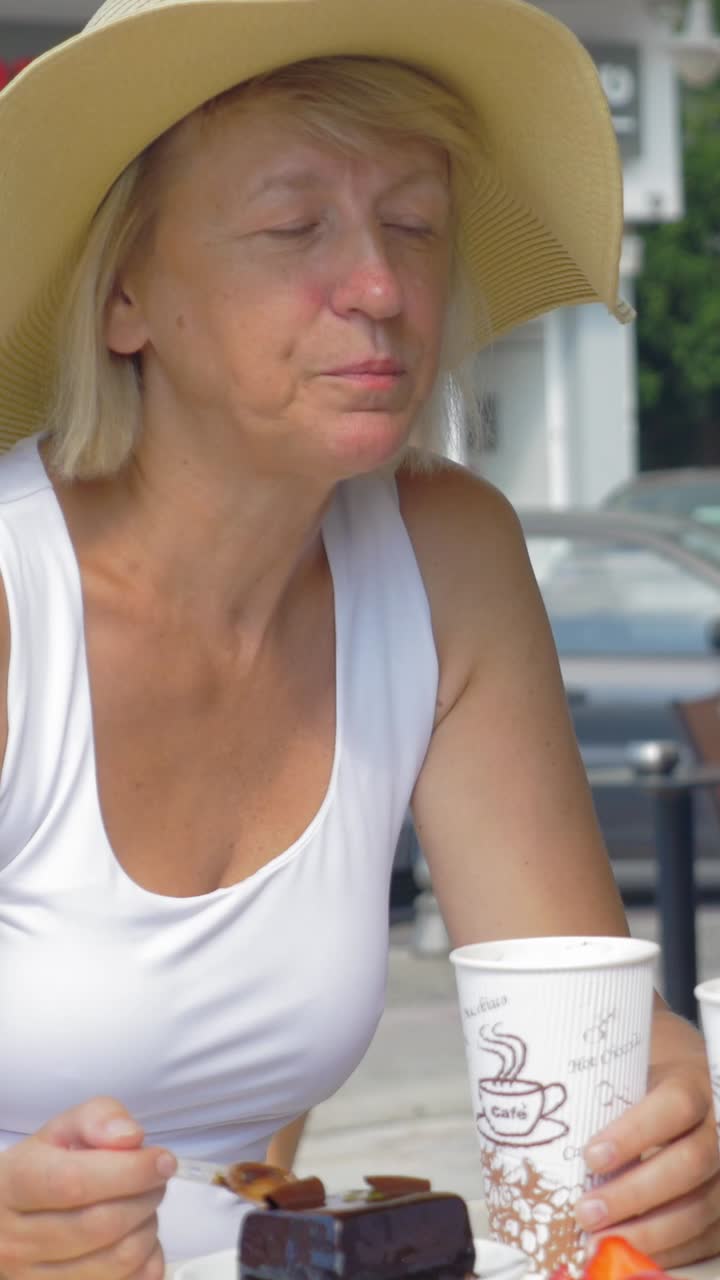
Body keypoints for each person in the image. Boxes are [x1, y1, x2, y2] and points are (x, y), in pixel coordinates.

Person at [0, 0, 716, 1274]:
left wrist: (662, 1135)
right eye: (292, 227)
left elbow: (581, 1023)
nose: (382, 286)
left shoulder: (451, 558)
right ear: (124, 298)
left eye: (415, 223)